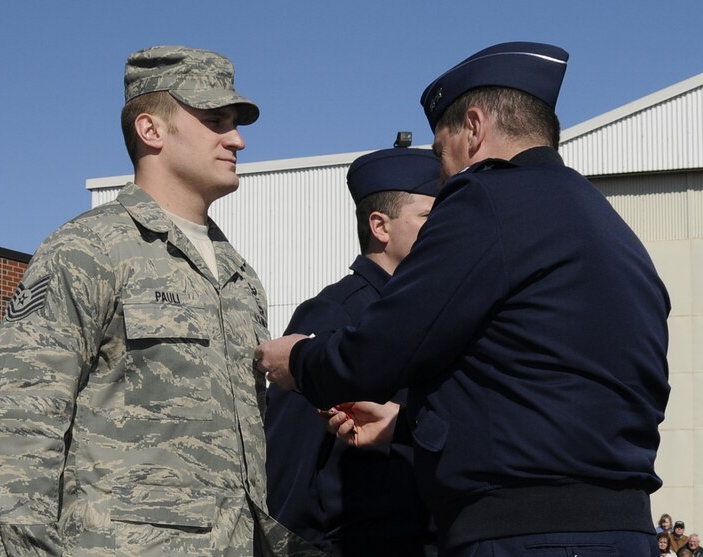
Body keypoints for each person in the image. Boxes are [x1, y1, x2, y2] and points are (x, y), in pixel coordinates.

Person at [256, 41, 670, 556]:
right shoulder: (607, 227)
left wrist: (297, 359)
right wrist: (406, 426)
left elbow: (377, 351)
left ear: (473, 128)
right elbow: (547, 386)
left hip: (524, 536)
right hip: (622, 533)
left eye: (439, 152)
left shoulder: (487, 201)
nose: (443, 175)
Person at [0, 45, 321, 556]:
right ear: (151, 130)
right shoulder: (88, 250)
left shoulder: (239, 276)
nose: (238, 139)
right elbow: (15, 426)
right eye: (215, 120)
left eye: (236, 123)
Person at [265, 145, 440, 556]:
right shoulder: (334, 314)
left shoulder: (432, 311)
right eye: (430, 217)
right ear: (380, 226)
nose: (447, 227)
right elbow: (290, 465)